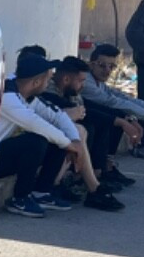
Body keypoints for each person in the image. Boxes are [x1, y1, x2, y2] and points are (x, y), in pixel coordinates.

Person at [0, 54, 82, 218]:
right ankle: (20, 198)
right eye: (47, 79)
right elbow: (35, 123)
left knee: (57, 137)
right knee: (37, 140)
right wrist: (69, 145)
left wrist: (75, 141)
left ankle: (41, 192)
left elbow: (57, 115)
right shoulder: (7, 97)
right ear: (36, 82)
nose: (49, 82)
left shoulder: (24, 94)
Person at [40, 56, 127, 209]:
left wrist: (120, 120)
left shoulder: (70, 92)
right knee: (81, 130)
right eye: (80, 81)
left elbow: (85, 110)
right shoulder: (48, 93)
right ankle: (86, 186)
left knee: (96, 125)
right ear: (66, 79)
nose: (83, 86)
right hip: (40, 143)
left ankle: (93, 178)